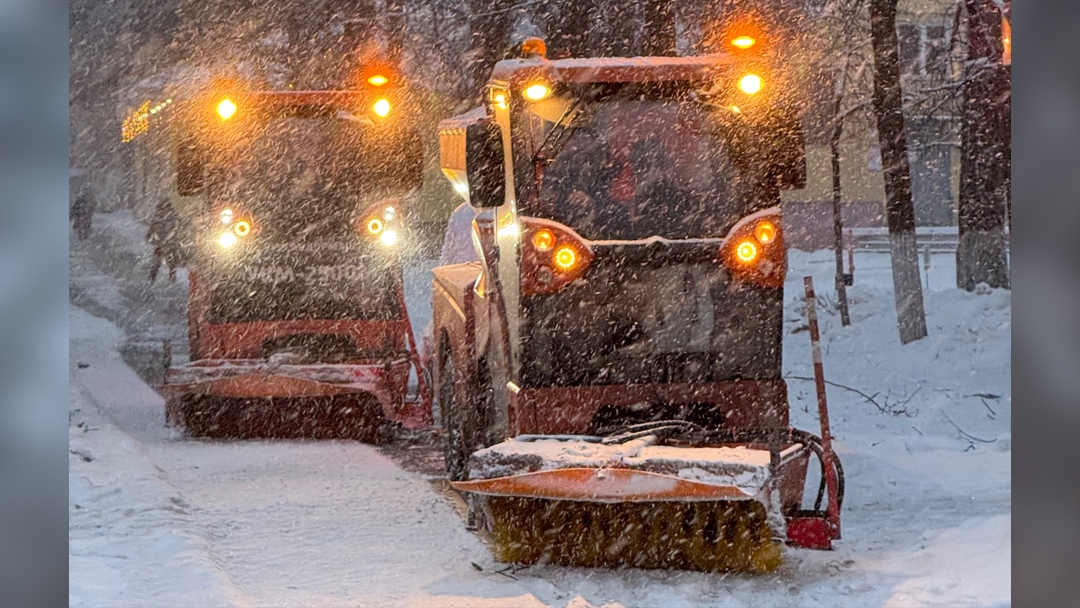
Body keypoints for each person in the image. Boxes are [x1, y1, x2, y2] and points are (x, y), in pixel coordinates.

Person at [146, 198, 182, 283]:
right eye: (161, 209)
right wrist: (152, 238)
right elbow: (151, 230)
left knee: (171, 262)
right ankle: (152, 278)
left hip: (170, 245)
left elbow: (176, 230)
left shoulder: (173, 219)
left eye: (164, 209)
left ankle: (171, 278)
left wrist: (171, 240)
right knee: (156, 262)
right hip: (161, 244)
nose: (162, 211)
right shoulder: (158, 220)